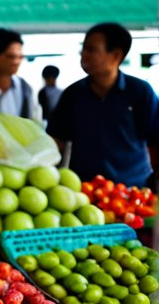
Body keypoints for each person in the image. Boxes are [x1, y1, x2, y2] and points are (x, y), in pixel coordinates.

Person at [47, 23, 159, 188]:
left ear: (115, 55)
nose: (83, 55)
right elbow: (56, 141)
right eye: (83, 49)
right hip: (83, 193)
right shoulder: (73, 94)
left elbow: (156, 139)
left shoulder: (140, 92)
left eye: (91, 50)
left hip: (133, 193)